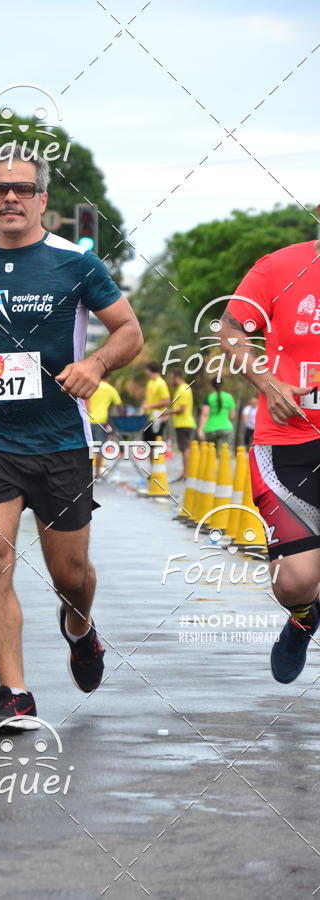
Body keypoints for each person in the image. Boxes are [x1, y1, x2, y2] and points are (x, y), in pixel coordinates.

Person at [0, 146, 143, 733]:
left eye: (23, 189)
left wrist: (97, 366)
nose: (11, 199)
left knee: (70, 576)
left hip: (60, 441)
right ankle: (14, 694)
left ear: (43, 199)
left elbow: (129, 331)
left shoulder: (75, 264)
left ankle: (79, 628)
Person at [219, 239, 320, 684]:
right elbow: (230, 331)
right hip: (288, 444)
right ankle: (302, 615)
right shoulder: (280, 266)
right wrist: (267, 381)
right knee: (296, 581)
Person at [87, 378, 121, 478]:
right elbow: (119, 405)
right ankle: (97, 472)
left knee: (88, 447)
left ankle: (87, 472)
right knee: (100, 447)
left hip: (88, 420)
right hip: (101, 421)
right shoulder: (110, 389)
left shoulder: (91, 385)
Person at [168, 370, 196, 479]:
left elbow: (182, 409)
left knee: (185, 449)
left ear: (176, 376)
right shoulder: (181, 389)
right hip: (181, 423)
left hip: (184, 423)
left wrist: (167, 413)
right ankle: (185, 472)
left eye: (172, 378)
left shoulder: (183, 389)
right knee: (183, 448)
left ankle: (186, 473)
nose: (171, 380)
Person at [197, 376, 236, 449]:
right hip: (226, 429)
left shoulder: (208, 397)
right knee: (224, 453)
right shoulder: (229, 397)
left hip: (211, 430)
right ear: (222, 384)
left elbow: (205, 415)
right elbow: (233, 416)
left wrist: (200, 429)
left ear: (212, 385)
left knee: (211, 454)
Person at [142, 361, 170, 445]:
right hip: (149, 417)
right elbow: (148, 399)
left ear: (149, 370)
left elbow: (167, 401)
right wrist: (144, 406)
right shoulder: (150, 383)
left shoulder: (161, 383)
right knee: (147, 444)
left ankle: (156, 458)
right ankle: (151, 458)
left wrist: (150, 406)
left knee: (154, 444)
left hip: (157, 417)